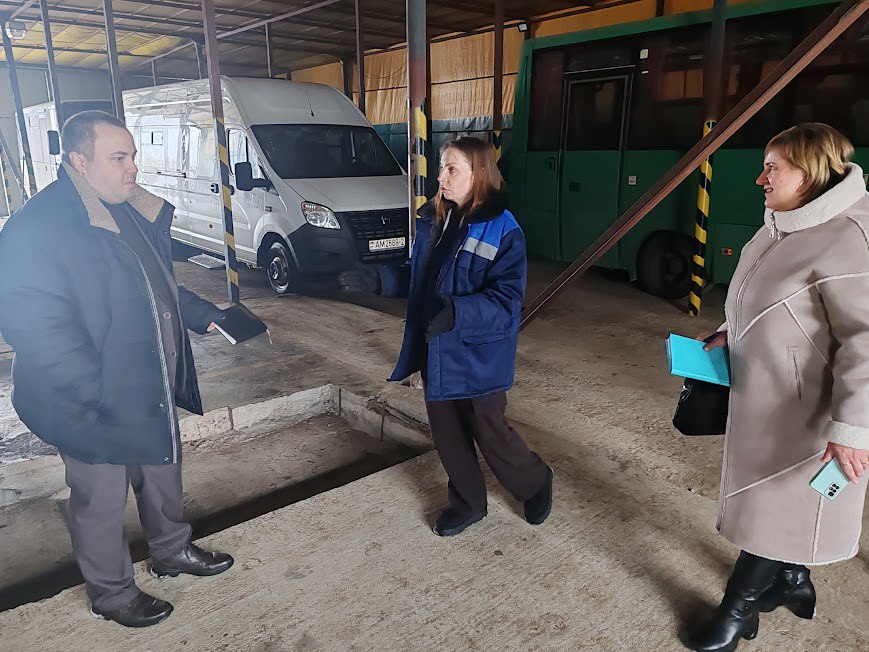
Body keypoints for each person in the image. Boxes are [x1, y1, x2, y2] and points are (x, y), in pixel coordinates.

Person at [0, 111, 234, 628]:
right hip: (88, 396)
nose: (134, 168)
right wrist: (95, 389)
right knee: (101, 499)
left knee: (161, 472)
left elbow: (154, 285)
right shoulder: (36, 228)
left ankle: (172, 551)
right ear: (79, 161)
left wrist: (201, 314)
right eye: (119, 157)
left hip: (145, 379)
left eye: (133, 156)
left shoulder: (126, 210)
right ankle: (112, 594)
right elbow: (35, 327)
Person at [690, 123, 869, 652]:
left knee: (774, 507)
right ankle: (792, 581)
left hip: (810, 410)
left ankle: (737, 611)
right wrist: (731, 330)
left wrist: (852, 428)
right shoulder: (783, 224)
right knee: (785, 504)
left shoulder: (849, 237)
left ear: (809, 172)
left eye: (772, 167)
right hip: (768, 397)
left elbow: (865, 341)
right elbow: (766, 298)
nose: (760, 178)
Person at [382, 136, 553, 537]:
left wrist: (457, 312)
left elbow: (506, 302)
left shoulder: (504, 230)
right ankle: (469, 503)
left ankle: (534, 480)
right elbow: (417, 276)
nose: (440, 177)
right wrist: (377, 279)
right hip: (436, 346)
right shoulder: (434, 220)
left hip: (478, 353)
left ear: (479, 174)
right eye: (441, 167)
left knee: (489, 431)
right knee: (447, 434)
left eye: (451, 169)